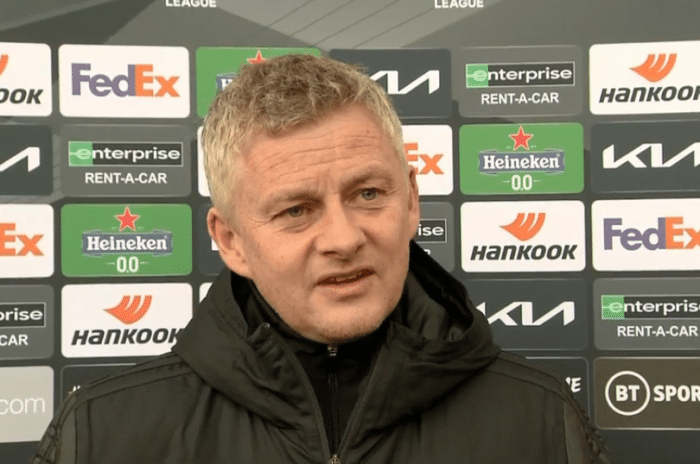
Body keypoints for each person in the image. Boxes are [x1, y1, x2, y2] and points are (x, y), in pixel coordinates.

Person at [31, 54, 611, 464]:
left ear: (412, 200)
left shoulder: (541, 419)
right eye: (296, 210)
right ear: (231, 240)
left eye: (368, 194)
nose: (343, 237)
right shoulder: (102, 435)